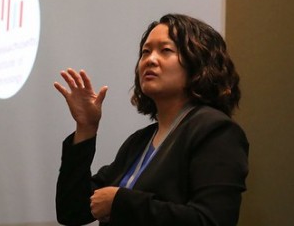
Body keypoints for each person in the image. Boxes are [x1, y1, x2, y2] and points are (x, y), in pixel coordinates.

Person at [54, 14, 249, 225]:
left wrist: (121, 202)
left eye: (165, 50)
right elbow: (72, 211)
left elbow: (212, 220)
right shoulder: (139, 142)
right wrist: (86, 128)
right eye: (145, 52)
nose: (150, 60)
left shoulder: (216, 131)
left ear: (198, 62)